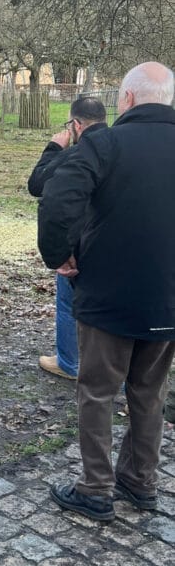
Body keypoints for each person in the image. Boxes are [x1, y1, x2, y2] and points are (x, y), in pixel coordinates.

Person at [38, 62, 175, 523]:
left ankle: (96, 489)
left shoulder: (106, 142)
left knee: (97, 392)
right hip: (168, 300)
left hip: (109, 297)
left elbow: (57, 197)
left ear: (128, 100)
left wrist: (58, 254)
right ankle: (140, 482)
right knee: (149, 393)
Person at [27, 97, 107, 379]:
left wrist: (53, 147)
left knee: (67, 303)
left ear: (75, 124)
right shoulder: (118, 147)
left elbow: (38, 185)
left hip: (78, 245)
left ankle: (69, 363)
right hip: (112, 243)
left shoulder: (78, 152)